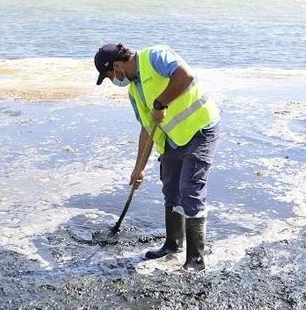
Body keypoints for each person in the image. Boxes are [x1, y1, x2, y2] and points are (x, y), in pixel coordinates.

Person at [94, 43, 220, 272]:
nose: (113, 80)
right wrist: (138, 168)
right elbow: (146, 128)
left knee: (190, 190)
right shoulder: (134, 91)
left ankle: (196, 260)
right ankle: (173, 244)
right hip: (173, 139)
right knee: (171, 188)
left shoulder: (155, 56)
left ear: (117, 66)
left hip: (200, 130)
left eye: (109, 75)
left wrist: (161, 102)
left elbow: (186, 76)